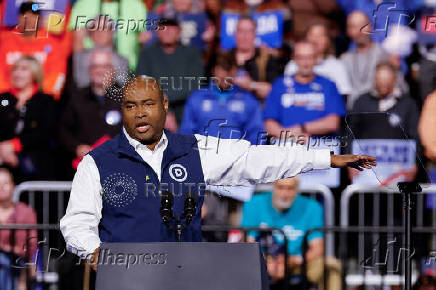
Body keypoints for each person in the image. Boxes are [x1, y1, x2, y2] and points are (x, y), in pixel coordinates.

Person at [59, 75, 376, 271]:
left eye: (148, 103)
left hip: (184, 274)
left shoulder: (195, 148)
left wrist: (328, 158)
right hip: (126, 279)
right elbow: (76, 222)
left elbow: (259, 158)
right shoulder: (97, 161)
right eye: (130, 106)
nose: (140, 112)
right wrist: (95, 251)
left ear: (165, 105)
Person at [241, 177, 340, 290]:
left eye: (290, 188)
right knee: (240, 263)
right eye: (280, 187)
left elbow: (317, 248)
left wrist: (294, 261)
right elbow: (248, 243)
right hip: (262, 261)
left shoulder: (312, 207)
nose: (284, 193)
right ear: (273, 186)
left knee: (332, 266)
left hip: (298, 262)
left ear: (297, 189)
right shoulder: (254, 204)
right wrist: (267, 263)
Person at [264, 41, 346, 140]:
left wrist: (302, 128)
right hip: (287, 146)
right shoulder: (280, 85)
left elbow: (333, 123)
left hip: (322, 146)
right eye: (301, 57)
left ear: (316, 59)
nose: (306, 63)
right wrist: (291, 136)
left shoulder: (328, 85)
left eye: (310, 57)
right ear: (293, 59)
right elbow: (269, 125)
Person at [59, 49, 122, 171]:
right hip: (83, 170)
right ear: (89, 70)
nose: (99, 71)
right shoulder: (76, 98)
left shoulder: (128, 98)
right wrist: (77, 147)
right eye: (94, 66)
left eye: (104, 66)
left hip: (119, 169)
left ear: (113, 70)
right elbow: (62, 130)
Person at [180, 52, 263, 144]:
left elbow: (256, 135)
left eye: (229, 69)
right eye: (221, 68)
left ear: (235, 71)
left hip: (237, 156)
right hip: (203, 155)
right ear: (213, 70)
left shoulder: (248, 100)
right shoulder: (196, 99)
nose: (225, 74)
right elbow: (186, 134)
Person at [136, 18, 204, 123]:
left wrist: (166, 98)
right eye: (163, 27)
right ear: (157, 31)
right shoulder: (146, 54)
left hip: (186, 110)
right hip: (155, 110)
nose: (167, 31)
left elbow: (195, 84)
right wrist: (165, 111)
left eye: (172, 27)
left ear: (179, 31)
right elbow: (143, 84)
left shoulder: (192, 53)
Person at [0, 55, 56, 181]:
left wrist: (15, 145)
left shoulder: (46, 101)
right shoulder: (3, 98)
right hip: (3, 164)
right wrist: (4, 151)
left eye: (24, 69)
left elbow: (45, 132)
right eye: (15, 69)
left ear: (35, 73)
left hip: (35, 168)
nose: (18, 73)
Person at [0, 1, 71, 99]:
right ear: (18, 18)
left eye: (33, 16)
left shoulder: (52, 43)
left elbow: (57, 74)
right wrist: (8, 95)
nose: (28, 20)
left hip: (41, 98)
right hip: (8, 98)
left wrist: (43, 96)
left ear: (40, 19)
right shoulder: (5, 41)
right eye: (24, 15)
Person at [68, 0, 148, 70]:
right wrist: (80, 72)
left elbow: (142, 41)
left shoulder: (136, 5)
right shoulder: (83, 4)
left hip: (128, 70)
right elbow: (77, 43)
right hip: (92, 70)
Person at [285, 22, 352, 96]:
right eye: (312, 35)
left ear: (327, 40)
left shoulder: (337, 66)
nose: (315, 40)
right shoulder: (293, 65)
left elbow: (343, 96)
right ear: (306, 38)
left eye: (320, 36)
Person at [341, 11, 388, 109]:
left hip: (378, 110)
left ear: (371, 27)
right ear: (348, 31)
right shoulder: (344, 60)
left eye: (363, 25)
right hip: (352, 113)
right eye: (353, 27)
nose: (360, 31)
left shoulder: (383, 54)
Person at [0, 167, 37, 290]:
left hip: (17, 261)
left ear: (14, 186)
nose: (1, 187)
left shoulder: (25, 212)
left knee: (5, 261)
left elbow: (30, 246)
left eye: (5, 183)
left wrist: (6, 248)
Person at [231, 16, 284, 101]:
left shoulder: (266, 59)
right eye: (241, 31)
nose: (244, 36)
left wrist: (251, 85)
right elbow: (208, 85)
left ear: (255, 34)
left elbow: (274, 90)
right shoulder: (224, 57)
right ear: (235, 34)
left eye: (249, 31)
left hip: (256, 108)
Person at [72, 15, 130, 89]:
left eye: (105, 28)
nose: (100, 32)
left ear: (112, 32)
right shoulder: (81, 58)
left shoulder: (122, 61)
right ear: (90, 33)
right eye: (95, 28)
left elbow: (121, 89)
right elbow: (80, 84)